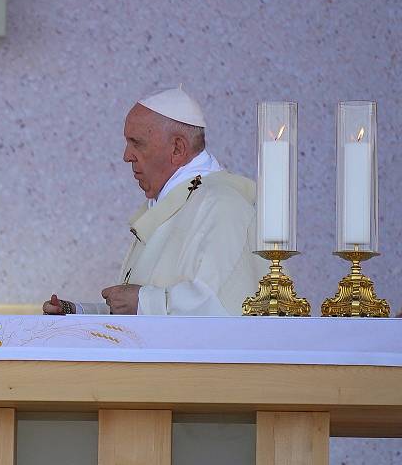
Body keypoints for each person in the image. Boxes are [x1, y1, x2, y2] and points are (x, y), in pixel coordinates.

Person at [44, 85, 265, 316]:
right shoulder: (174, 205)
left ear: (177, 148)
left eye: (136, 143)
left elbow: (222, 310)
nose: (126, 156)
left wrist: (143, 302)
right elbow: (144, 314)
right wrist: (77, 314)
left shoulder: (222, 205)